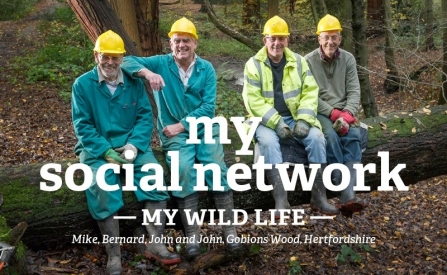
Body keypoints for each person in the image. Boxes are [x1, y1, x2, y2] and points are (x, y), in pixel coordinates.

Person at [120, 17, 241, 260]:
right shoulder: (162, 63)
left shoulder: (206, 69)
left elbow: (208, 107)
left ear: (195, 43)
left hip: (203, 129)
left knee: (216, 167)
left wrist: (182, 125)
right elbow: (125, 61)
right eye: (177, 41)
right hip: (173, 136)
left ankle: (230, 231)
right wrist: (148, 73)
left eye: (186, 40)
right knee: (183, 170)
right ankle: (193, 234)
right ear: (170, 43)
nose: (181, 45)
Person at [71, 30, 181, 274]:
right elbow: (82, 125)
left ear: (122, 58)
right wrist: (105, 152)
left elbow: (144, 117)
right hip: (96, 148)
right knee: (101, 184)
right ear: (96, 55)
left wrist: (133, 146)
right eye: (105, 56)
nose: (110, 62)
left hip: (132, 144)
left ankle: (156, 243)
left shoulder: (133, 83)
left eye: (116, 57)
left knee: (153, 173)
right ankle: (114, 254)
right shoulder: (82, 85)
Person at [242, 16, 339, 216]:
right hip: (265, 121)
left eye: (281, 38)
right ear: (265, 40)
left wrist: (303, 119)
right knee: (268, 142)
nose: (276, 43)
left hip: (295, 116)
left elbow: (310, 92)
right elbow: (253, 101)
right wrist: (277, 124)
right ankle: (281, 199)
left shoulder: (299, 61)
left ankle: (319, 196)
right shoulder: (253, 65)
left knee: (317, 138)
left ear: (287, 40)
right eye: (272, 38)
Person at [304, 14, 366, 214]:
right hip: (322, 112)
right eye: (326, 37)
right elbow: (310, 96)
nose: (330, 41)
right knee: (330, 136)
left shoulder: (348, 59)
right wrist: (333, 114)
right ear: (319, 39)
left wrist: (348, 114)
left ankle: (348, 195)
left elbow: (355, 90)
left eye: (334, 37)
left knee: (354, 136)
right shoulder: (308, 62)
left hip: (345, 112)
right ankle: (340, 181)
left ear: (340, 38)